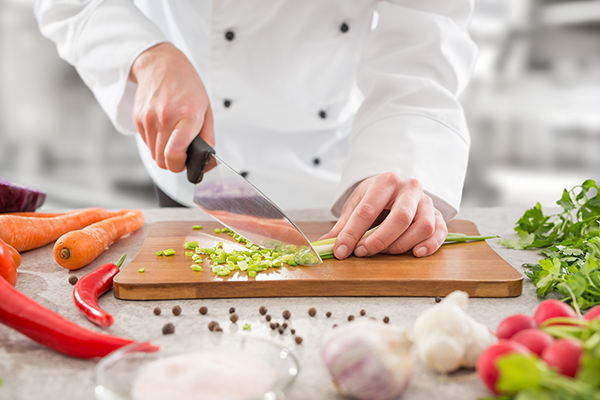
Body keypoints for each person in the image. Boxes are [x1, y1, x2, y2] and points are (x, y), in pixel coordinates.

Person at [34, 0, 477, 260]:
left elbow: (428, 33)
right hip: (198, 160)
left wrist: (401, 163)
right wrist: (145, 55)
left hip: (352, 176)